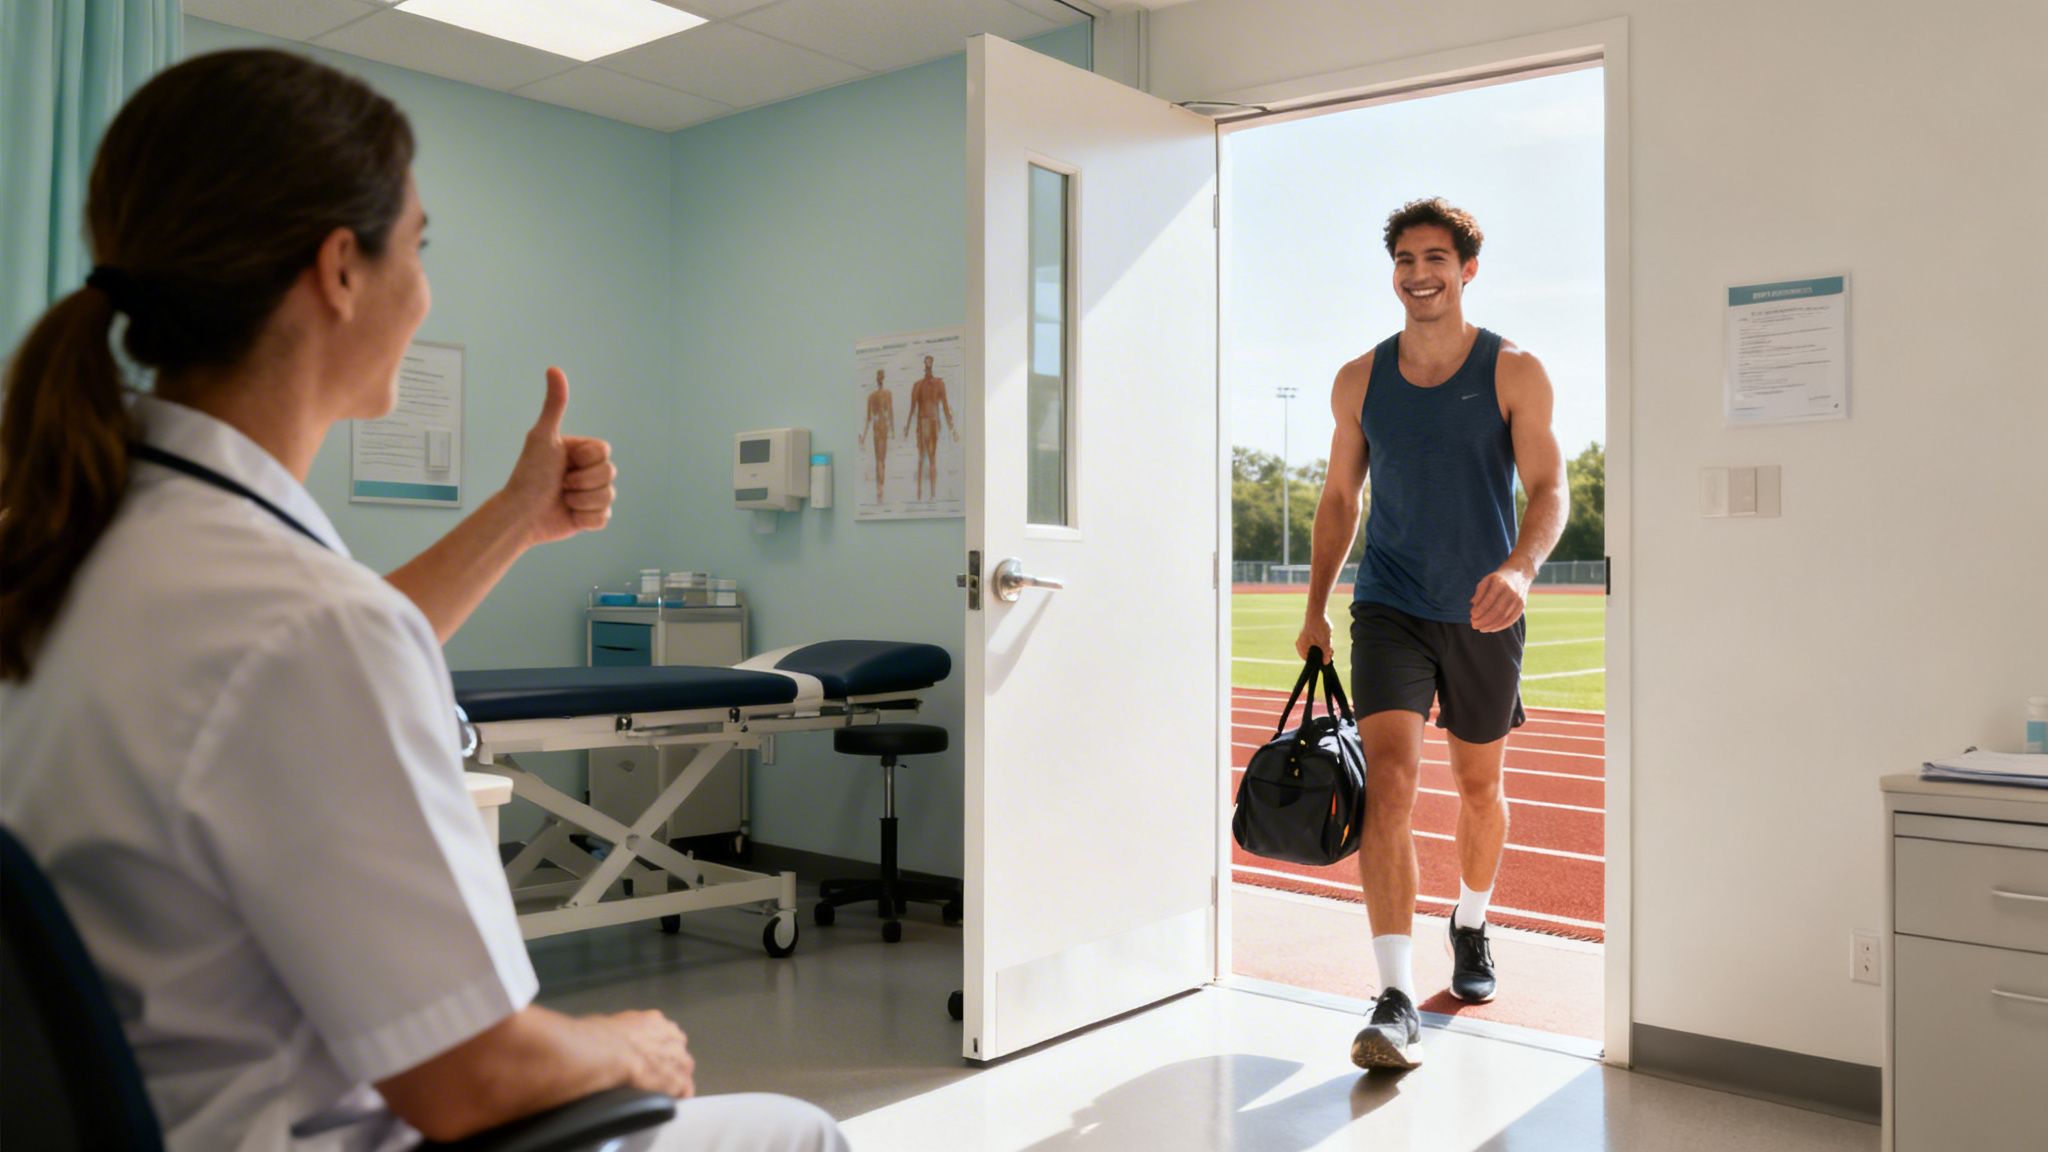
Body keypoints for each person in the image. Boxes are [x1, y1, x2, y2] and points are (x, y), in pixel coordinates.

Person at [0, 49, 845, 1152]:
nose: (426, 285)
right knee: (795, 1132)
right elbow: (477, 1078)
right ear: (339, 271)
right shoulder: (299, 625)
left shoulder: (80, 546)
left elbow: (304, 661)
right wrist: (626, 1045)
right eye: (421, 245)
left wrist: (517, 515)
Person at [1292, 198, 1566, 1073]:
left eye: (1437, 257)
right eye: (1406, 258)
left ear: (1467, 268)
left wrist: (1521, 570)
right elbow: (1340, 501)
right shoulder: (1358, 379)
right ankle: (1395, 994)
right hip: (1391, 606)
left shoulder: (1515, 370)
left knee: (1478, 785)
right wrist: (1315, 606)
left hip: (1485, 607)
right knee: (1394, 787)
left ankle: (1473, 922)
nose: (1420, 273)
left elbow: (1550, 490)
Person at [901, 354, 956, 502]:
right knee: (922, 458)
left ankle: (932, 493)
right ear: (924, 365)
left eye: (930, 362)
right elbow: (912, 409)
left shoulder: (938, 384)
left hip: (931, 422)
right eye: (927, 363)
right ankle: (921, 493)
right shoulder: (918, 385)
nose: (928, 365)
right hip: (923, 422)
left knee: (931, 458)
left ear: (931, 364)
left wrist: (952, 428)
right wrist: (906, 427)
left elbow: (945, 406)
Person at [857, 366, 893, 503]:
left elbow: (870, 418)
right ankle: (880, 488)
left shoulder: (874, 396)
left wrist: (864, 436)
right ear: (881, 378)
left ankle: (880, 487)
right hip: (880, 429)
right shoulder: (880, 395)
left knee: (880, 460)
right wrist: (864, 436)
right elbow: (887, 415)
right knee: (881, 461)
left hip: (879, 428)